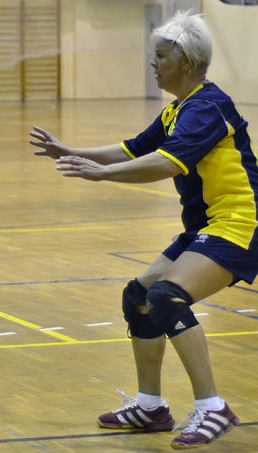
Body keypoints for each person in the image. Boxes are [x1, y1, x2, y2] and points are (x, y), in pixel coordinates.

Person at [30, 11, 254, 450]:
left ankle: (213, 407)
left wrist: (100, 175)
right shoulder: (178, 109)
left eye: (161, 56)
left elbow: (165, 163)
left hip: (240, 223)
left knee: (167, 297)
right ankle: (151, 406)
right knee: (139, 296)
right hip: (206, 226)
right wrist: (72, 151)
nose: (153, 64)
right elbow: (134, 149)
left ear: (185, 61)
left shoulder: (207, 108)